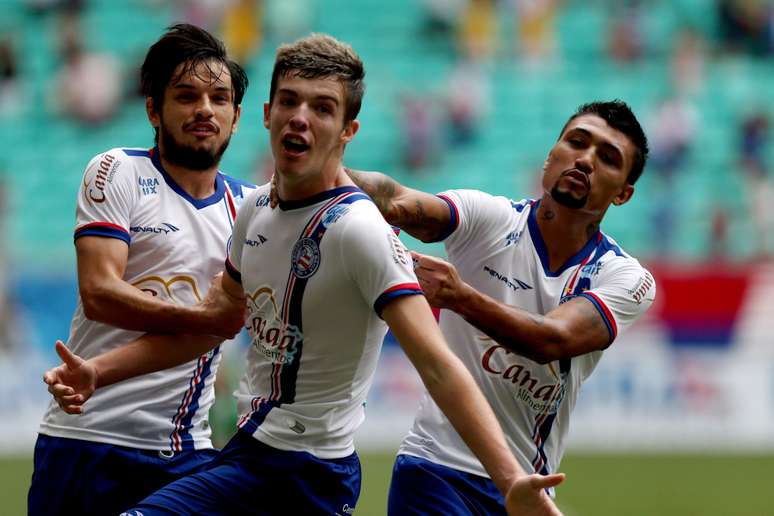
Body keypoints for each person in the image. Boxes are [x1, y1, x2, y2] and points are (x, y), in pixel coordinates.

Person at [45, 33, 565, 515]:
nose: (301, 118)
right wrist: (100, 371)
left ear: (348, 131)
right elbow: (215, 321)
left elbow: (438, 365)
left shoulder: (360, 231)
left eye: (323, 108)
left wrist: (508, 477)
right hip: (251, 454)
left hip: (304, 470)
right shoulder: (254, 212)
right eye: (290, 102)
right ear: (268, 116)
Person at [343, 100, 657, 514]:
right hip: (434, 470)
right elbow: (395, 198)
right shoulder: (489, 219)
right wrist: (325, 172)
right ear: (550, 156)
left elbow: (552, 339)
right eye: (576, 142)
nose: (585, 159)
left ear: (623, 193)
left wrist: (459, 296)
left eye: (608, 157)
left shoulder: (626, 278)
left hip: (525, 491)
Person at [29, 23, 253, 515]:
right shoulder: (118, 171)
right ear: (154, 109)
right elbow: (100, 293)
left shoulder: (250, 209)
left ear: (236, 117)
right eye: (186, 96)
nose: (204, 109)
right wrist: (210, 319)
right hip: (83, 437)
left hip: (182, 452)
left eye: (219, 98)